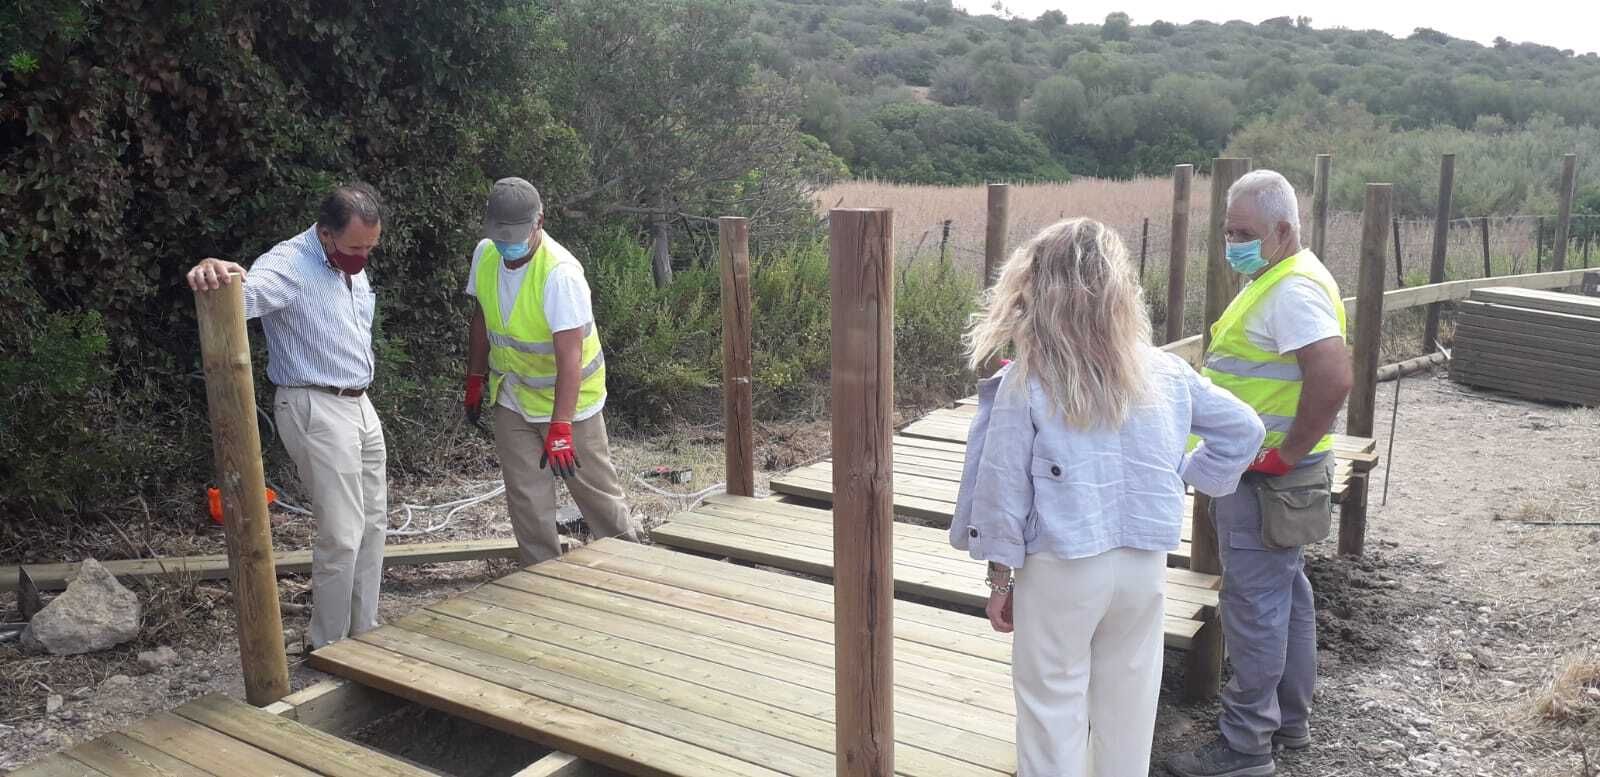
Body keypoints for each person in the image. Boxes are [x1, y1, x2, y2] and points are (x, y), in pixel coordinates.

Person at [950, 218, 1265, 777]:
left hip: (1061, 567)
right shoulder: (1165, 371)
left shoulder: (1030, 380)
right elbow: (1244, 429)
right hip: (1143, 567)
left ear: (1037, 287)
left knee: (1052, 709)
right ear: (1120, 289)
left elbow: (1003, 489)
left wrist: (1001, 580)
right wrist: (1192, 474)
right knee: (1129, 708)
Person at [1166, 170, 1353, 777]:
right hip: (1268, 472)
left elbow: (1332, 378)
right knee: (1287, 594)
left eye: (1244, 232)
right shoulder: (1278, 276)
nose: (1232, 242)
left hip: (1267, 475)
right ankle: (1288, 722)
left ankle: (1244, 748)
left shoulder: (1291, 290)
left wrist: (1287, 454)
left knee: (1255, 607)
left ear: (1282, 229)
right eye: (1227, 231)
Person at [186, 183, 389, 650]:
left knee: (374, 521)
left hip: (360, 402)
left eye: (371, 247)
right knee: (341, 532)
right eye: (355, 246)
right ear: (324, 233)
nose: (363, 256)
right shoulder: (288, 264)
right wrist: (211, 271)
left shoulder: (349, 264)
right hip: (314, 403)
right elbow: (242, 296)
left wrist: (356, 257)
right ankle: (330, 646)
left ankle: (366, 633)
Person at [463, 177, 635, 566]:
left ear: (539, 221)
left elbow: (569, 358)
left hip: (571, 407)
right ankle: (540, 576)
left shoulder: (560, 274)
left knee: (596, 495)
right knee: (526, 498)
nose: (507, 243)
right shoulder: (486, 254)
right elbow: (481, 318)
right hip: (512, 395)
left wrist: (560, 427)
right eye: (500, 234)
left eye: (516, 234)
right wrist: (475, 378)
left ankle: (633, 567)